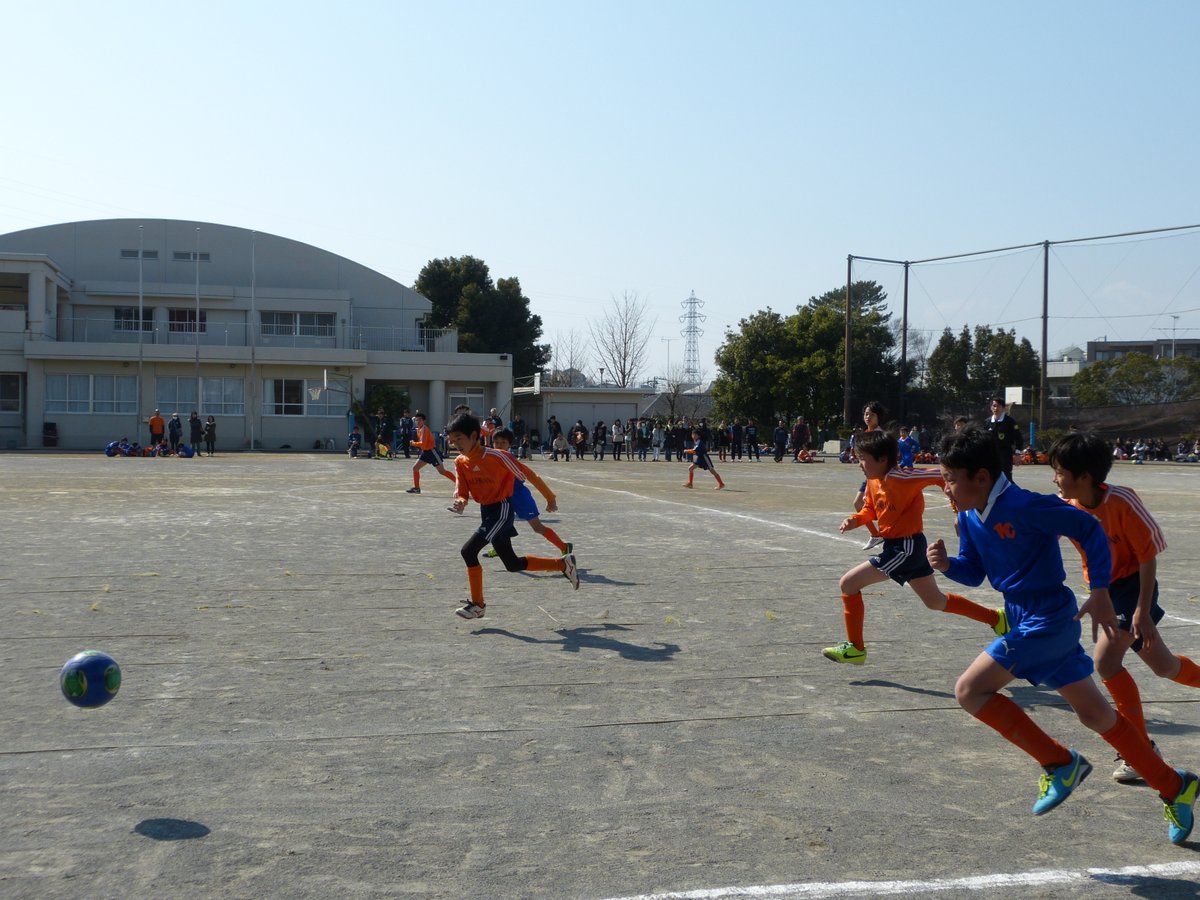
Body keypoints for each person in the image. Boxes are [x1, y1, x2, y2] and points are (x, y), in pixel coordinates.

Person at [928, 427, 1197, 843]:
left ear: (981, 477)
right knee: (1096, 716)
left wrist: (1101, 591)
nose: (944, 487)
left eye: (949, 478)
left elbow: (1089, 529)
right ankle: (1175, 786)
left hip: (1048, 618)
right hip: (1022, 615)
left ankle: (1059, 762)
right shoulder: (967, 515)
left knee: (970, 691)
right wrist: (948, 566)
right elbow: (975, 572)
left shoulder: (1024, 505)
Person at [1048, 432, 1200, 782]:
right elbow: (1038, 532)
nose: (1055, 479)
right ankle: (1141, 750)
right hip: (1107, 590)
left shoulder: (1122, 501)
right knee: (1165, 666)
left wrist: (1142, 611)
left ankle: (1140, 751)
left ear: (1084, 476)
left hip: (1133, 586)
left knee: (1105, 661)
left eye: (1059, 472)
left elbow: (1148, 557)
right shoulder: (1066, 507)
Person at [822, 429, 1004, 665]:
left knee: (848, 583)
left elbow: (941, 475)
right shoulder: (872, 482)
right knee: (935, 601)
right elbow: (870, 510)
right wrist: (855, 520)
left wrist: (957, 511)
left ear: (882, 459)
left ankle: (856, 649)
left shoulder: (902, 477)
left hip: (905, 547)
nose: (859, 464)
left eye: (863, 459)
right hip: (901, 547)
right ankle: (997, 619)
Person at [445, 412, 579, 619]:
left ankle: (478, 605)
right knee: (512, 564)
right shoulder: (460, 462)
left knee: (468, 551)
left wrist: (550, 498)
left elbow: (527, 475)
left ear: (474, 436)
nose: (455, 444)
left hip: (502, 509)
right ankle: (563, 564)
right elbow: (462, 490)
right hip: (486, 511)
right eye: (452, 440)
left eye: (459, 439)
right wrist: (461, 501)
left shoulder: (498, 456)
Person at [483, 429, 575, 559]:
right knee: (499, 524)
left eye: (503, 442)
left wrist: (550, 498)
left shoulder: (511, 460)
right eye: (496, 442)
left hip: (520, 498)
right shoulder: (491, 459)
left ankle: (564, 546)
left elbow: (533, 477)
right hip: (504, 499)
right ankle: (500, 548)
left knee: (537, 527)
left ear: (510, 445)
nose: (499, 445)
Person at [853, 402, 888, 551]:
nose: (868, 417)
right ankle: (875, 534)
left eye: (872, 415)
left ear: (878, 417)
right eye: (866, 414)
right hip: (869, 477)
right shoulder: (865, 434)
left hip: (880, 477)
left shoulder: (880, 436)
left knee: (882, 509)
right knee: (858, 504)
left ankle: (890, 536)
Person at [407, 411, 456, 492]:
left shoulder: (424, 429)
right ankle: (417, 488)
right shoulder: (419, 429)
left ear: (423, 421)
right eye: (416, 420)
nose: (418, 422)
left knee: (442, 471)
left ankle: (459, 483)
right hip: (425, 452)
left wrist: (413, 443)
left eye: (420, 420)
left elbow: (422, 443)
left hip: (432, 452)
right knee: (415, 468)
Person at [986, 395, 1020, 482]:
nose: (995, 408)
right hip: (991, 454)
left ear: (1003, 408)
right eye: (994, 406)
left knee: (1006, 478)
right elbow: (984, 439)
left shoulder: (1010, 422)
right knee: (992, 478)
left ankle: (1012, 490)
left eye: (998, 406)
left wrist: (1017, 454)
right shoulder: (987, 422)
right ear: (991, 407)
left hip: (1005, 455)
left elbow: (1018, 438)